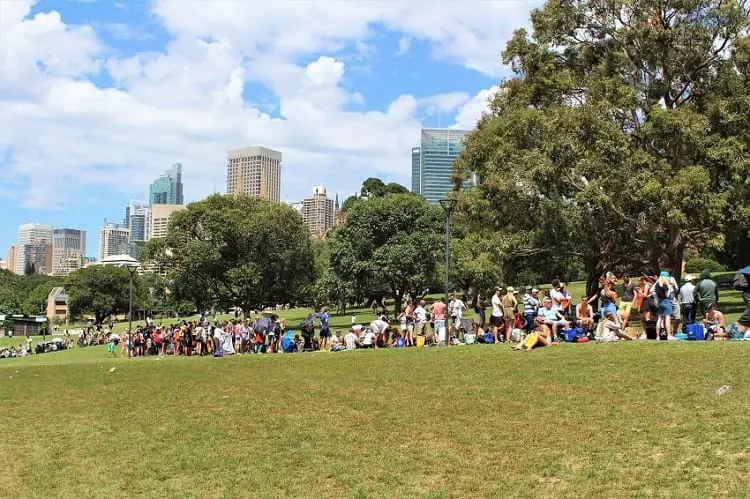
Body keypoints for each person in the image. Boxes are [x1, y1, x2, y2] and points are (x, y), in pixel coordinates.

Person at [651, 271, 675, 339]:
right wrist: (670, 289)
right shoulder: (665, 285)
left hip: (660, 302)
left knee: (659, 319)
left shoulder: (657, 284)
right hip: (666, 301)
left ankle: (658, 336)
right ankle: (669, 335)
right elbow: (667, 295)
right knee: (667, 318)